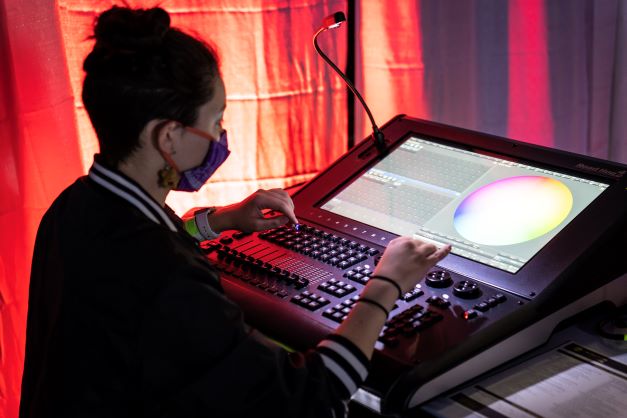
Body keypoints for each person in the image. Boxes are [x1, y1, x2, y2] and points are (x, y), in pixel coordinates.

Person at [19, 6, 451, 418]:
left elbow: (143, 255)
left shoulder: (76, 206)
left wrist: (220, 221)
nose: (221, 135)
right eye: (215, 120)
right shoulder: (164, 276)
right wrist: (384, 285)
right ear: (169, 137)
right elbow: (304, 400)